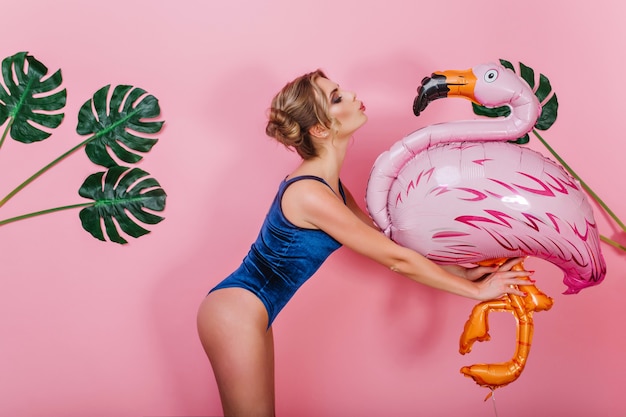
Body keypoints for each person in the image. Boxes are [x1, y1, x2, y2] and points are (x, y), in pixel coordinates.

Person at [196, 69, 532, 417]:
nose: (353, 95)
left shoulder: (331, 189)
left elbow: (388, 245)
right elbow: (395, 260)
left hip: (252, 311)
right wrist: (476, 293)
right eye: (337, 97)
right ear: (321, 129)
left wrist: (463, 272)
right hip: (235, 312)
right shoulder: (310, 195)